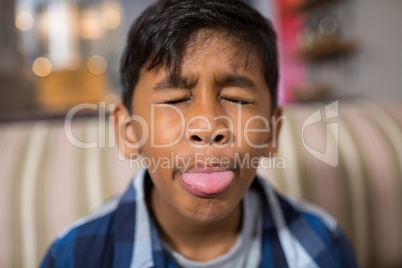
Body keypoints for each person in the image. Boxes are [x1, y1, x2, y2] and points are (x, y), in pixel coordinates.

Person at [41, 0, 359, 267]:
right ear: (128, 132)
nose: (208, 126)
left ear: (271, 134)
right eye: (174, 100)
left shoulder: (321, 244)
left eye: (237, 99)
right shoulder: (75, 254)